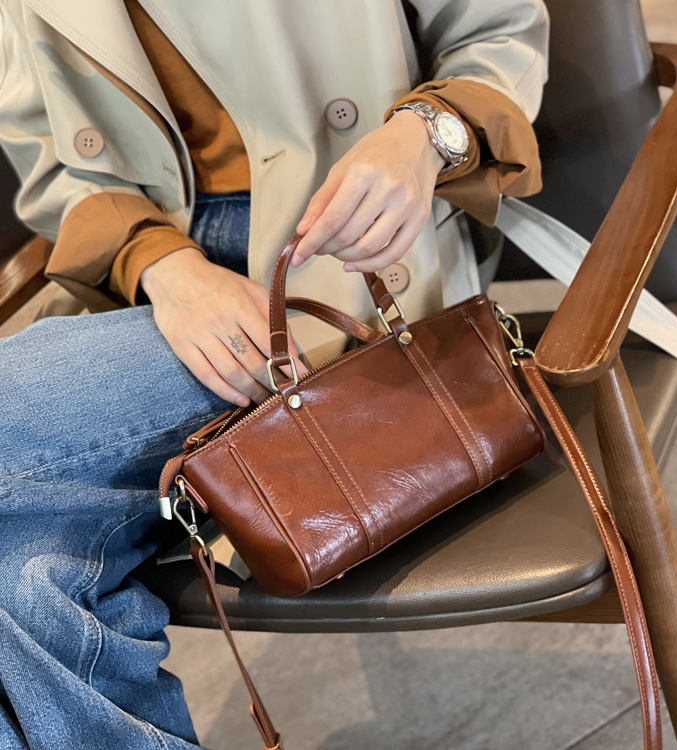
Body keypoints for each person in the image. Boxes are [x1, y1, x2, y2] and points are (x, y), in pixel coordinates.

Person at [0, 0, 549, 746]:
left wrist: (423, 137)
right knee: (21, 579)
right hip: (154, 284)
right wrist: (162, 264)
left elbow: (500, 31)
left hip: (345, 272)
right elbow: (51, 160)